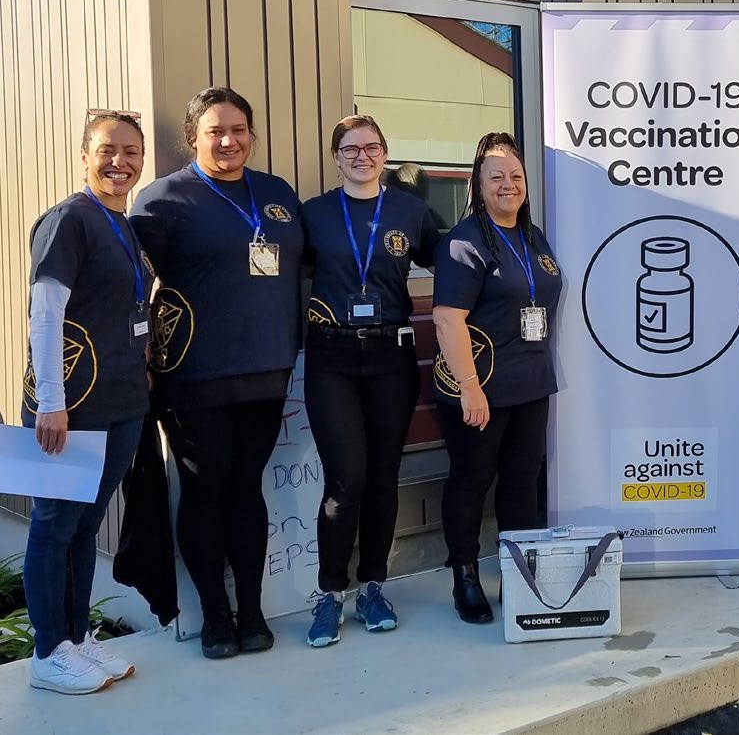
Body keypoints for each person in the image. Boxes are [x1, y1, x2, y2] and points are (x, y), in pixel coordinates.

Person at [130, 87, 303, 659]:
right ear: (193, 138)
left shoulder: (276, 194)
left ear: (252, 134)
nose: (229, 141)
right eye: (215, 131)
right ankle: (213, 616)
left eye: (239, 130)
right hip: (193, 378)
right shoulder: (163, 200)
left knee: (246, 490)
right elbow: (129, 288)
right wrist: (136, 361)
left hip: (266, 371)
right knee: (206, 491)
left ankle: (251, 612)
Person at [22, 111, 152, 693]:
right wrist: (52, 401)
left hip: (119, 403)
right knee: (54, 528)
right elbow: (45, 313)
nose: (119, 162)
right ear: (83, 156)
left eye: (130, 151)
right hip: (69, 407)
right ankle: (48, 652)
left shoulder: (120, 224)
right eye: (106, 150)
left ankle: (74, 639)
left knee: (84, 526)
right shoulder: (69, 220)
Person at [301, 116, 440, 647]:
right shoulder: (312, 214)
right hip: (331, 357)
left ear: (385, 154)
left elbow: (452, 265)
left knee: (383, 478)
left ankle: (373, 587)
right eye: (349, 148)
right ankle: (330, 593)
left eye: (371, 146)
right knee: (346, 481)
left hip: (391, 355)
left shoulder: (411, 211)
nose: (361, 155)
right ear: (335, 157)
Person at [431, 132, 563, 624]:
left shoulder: (533, 237)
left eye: (516, 176)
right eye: (496, 177)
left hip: (531, 383)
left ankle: (518, 571)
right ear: (478, 184)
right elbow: (448, 318)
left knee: (522, 482)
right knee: (471, 480)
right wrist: (469, 386)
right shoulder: (464, 242)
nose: (508, 185)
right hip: (480, 388)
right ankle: (464, 574)